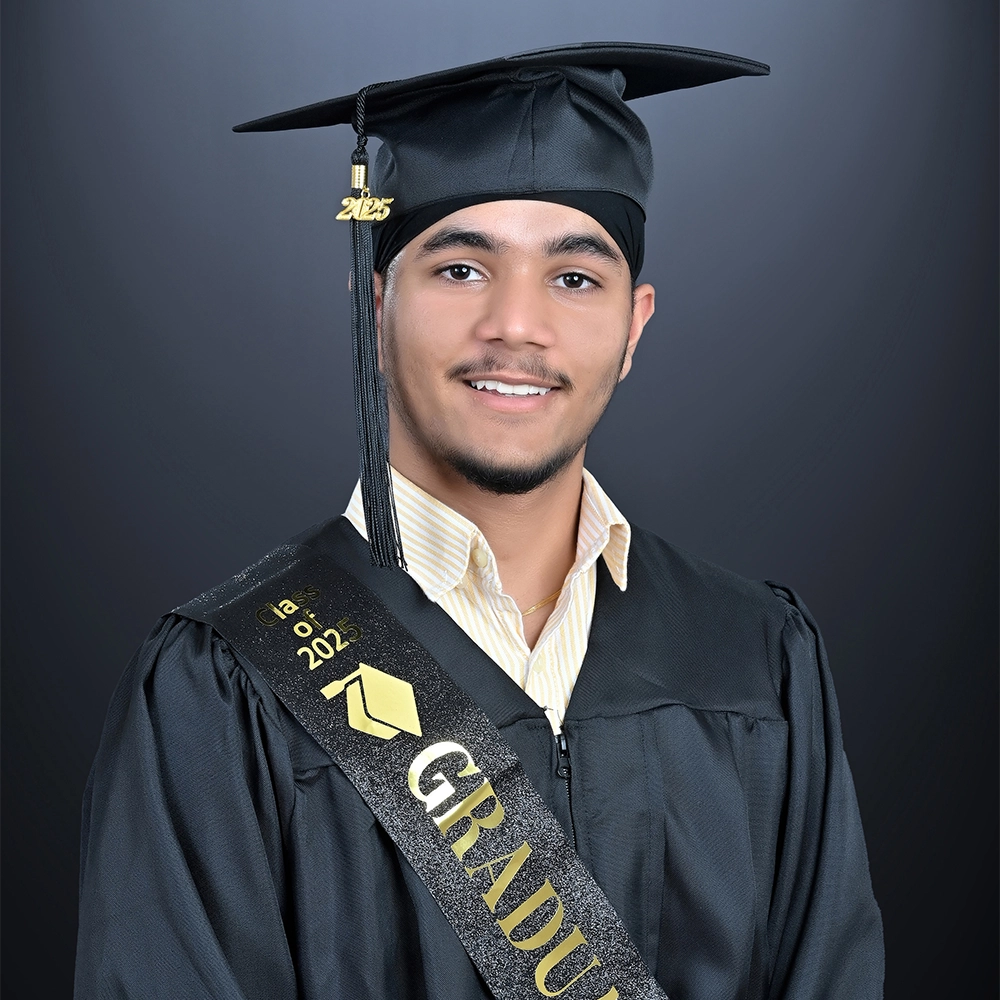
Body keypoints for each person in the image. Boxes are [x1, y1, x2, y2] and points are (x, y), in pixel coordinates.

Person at [74, 42, 884, 999]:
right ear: (375, 306)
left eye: (574, 278)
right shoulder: (227, 684)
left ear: (634, 327)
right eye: (461, 269)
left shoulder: (755, 656)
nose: (516, 324)